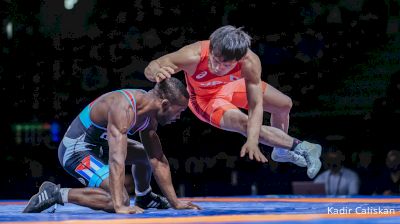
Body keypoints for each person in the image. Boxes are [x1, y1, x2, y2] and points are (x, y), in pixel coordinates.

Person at [144, 25, 322, 178]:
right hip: (205, 99)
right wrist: (155, 73)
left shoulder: (250, 62)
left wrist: (253, 139)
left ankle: (281, 151)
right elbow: (153, 65)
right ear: (212, 48)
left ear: (239, 59)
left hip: (230, 86)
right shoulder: (192, 55)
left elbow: (256, 105)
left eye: (226, 65)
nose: (218, 67)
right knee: (245, 124)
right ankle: (302, 147)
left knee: (284, 104)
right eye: (215, 60)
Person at [23, 78, 201, 214]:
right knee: (119, 199)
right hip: (76, 151)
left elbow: (157, 159)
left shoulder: (150, 114)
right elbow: (117, 159)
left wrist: (175, 202)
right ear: (164, 104)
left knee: (144, 153)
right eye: (179, 111)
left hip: (101, 146)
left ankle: (144, 196)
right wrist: (120, 206)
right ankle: (56, 194)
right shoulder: (123, 107)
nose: (178, 118)